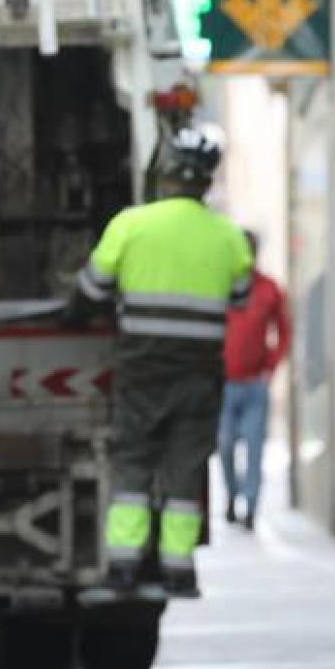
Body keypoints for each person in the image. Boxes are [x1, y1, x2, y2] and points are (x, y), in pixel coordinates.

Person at [76, 128, 252, 597]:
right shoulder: (228, 236)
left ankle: (124, 567)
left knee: (132, 464)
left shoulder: (131, 225)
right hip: (198, 375)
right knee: (185, 468)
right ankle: (179, 569)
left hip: (143, 370)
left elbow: (91, 290)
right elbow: (240, 295)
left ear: (165, 176)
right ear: (206, 183)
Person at [218, 230, 290, 530]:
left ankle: (250, 507)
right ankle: (232, 498)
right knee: (224, 445)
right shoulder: (218, 287)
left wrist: (270, 367)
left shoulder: (269, 289)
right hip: (223, 383)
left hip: (254, 385)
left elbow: (284, 331)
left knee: (255, 447)